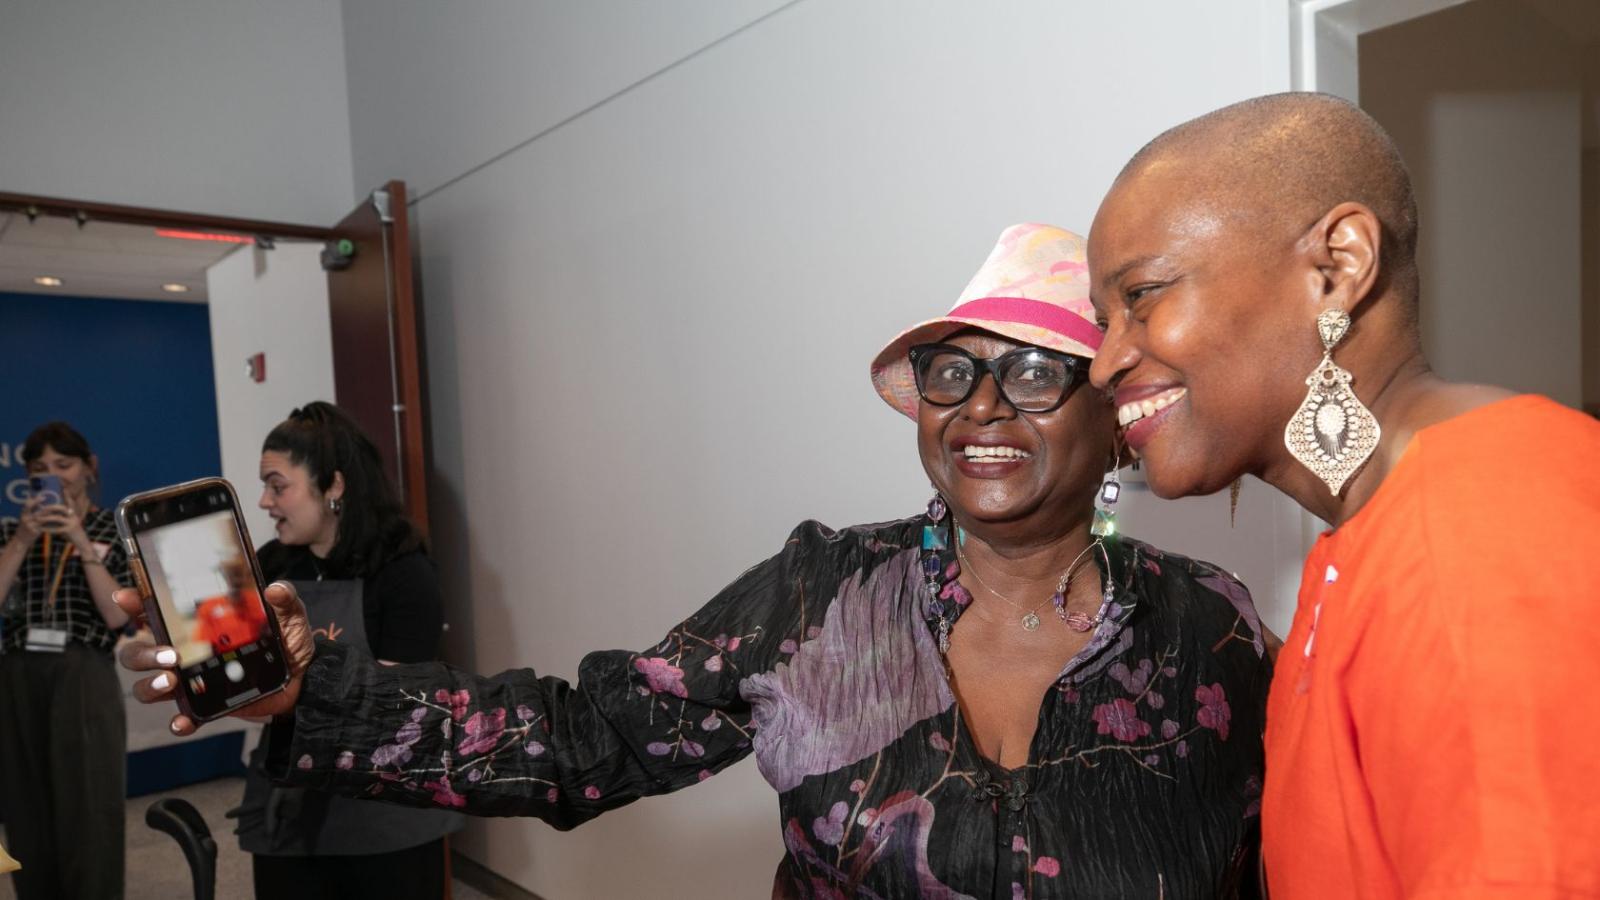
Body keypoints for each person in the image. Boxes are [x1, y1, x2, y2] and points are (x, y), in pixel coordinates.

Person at [123, 226, 1274, 898]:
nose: (979, 406)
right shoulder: (822, 593)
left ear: (1108, 416)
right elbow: (582, 738)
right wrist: (307, 688)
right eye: (949, 372)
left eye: (1030, 373)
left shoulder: (1206, 633)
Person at [1085, 93, 1600, 898]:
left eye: (1142, 296)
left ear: (1337, 267)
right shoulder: (1369, 537)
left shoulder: (1490, 512)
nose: (1104, 363)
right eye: (1102, 319)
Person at [235, 402, 463, 899]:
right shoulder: (272, 564)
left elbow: (392, 702)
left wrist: (293, 690)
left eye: (278, 485)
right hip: (290, 807)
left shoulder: (403, 574)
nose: (264, 501)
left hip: (385, 812)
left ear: (333, 486)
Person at [0, 422, 133, 900]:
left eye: (64, 465)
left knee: (90, 808)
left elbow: (117, 614)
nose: (54, 476)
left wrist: (79, 541)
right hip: (16, 674)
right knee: (25, 809)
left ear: (88, 467)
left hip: (83, 675)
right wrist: (21, 541)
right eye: (40, 469)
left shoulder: (110, 529)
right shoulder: (10, 532)